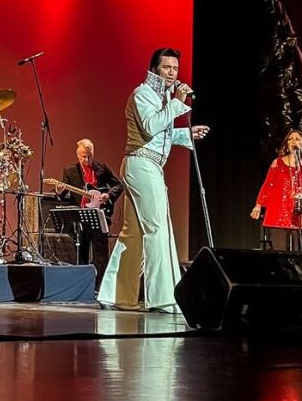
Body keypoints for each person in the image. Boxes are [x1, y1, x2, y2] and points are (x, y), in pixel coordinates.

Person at [97, 48, 210, 313]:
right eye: (167, 68)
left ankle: (115, 295)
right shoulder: (143, 94)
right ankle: (164, 298)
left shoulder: (163, 98)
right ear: (155, 69)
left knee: (133, 233)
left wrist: (185, 133)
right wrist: (176, 105)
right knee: (158, 228)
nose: (172, 73)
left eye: (175, 69)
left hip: (150, 165)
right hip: (141, 164)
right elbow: (149, 126)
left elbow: (160, 135)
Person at [55, 139, 124, 288]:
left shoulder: (101, 168)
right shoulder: (70, 171)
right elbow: (61, 195)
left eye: (89, 156)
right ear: (77, 155)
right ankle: (82, 287)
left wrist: (108, 195)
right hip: (80, 218)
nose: (87, 160)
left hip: (100, 214)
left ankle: (100, 287)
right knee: (81, 252)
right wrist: (59, 188)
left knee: (101, 255)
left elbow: (118, 185)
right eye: (83, 156)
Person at [250, 130, 302, 251]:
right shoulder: (277, 163)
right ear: (286, 145)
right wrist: (258, 206)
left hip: (298, 214)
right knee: (279, 252)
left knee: (298, 253)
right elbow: (267, 186)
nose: (293, 141)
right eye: (290, 139)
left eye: (297, 139)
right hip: (278, 212)